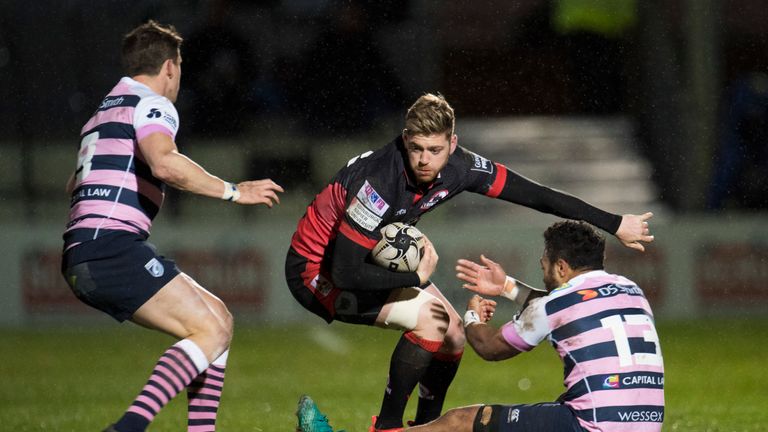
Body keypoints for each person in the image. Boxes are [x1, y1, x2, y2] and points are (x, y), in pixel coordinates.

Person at [286, 93, 655, 432]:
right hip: (316, 272)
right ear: (403, 140)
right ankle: (389, 428)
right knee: (433, 320)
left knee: (454, 335)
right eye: (415, 148)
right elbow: (345, 271)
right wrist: (416, 275)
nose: (424, 160)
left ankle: (424, 429)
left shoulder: (462, 169)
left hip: (362, 262)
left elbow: (536, 195)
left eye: (434, 149)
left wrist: (615, 222)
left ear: (453, 144)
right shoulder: (379, 181)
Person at [60, 20, 283, 432]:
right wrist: (234, 191)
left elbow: (74, 183)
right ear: (169, 67)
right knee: (209, 331)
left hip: (85, 247)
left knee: (219, 319)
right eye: (179, 67)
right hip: (109, 246)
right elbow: (164, 161)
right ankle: (129, 427)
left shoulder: (101, 113)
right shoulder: (151, 103)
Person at [299, 220, 665, 432]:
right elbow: (561, 305)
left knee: (461, 421)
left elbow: (489, 348)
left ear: (562, 268)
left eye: (545, 265)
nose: (543, 270)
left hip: (593, 424)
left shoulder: (560, 302)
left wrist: (472, 315)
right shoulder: (629, 289)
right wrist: (506, 287)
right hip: (645, 423)